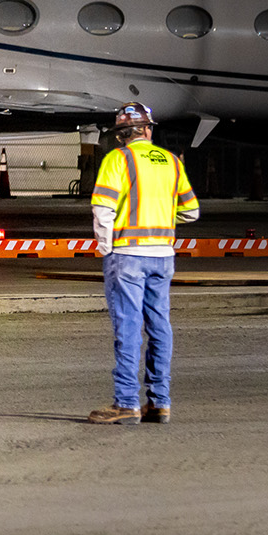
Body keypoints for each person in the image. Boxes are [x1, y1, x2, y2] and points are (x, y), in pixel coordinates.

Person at [86, 103, 199, 425]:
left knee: (128, 328)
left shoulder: (118, 159)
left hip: (127, 255)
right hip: (163, 256)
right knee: (160, 327)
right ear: (148, 130)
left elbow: (103, 209)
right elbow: (191, 212)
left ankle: (126, 404)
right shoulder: (172, 161)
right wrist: (161, 219)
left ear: (120, 135)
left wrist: (106, 248)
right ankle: (159, 403)